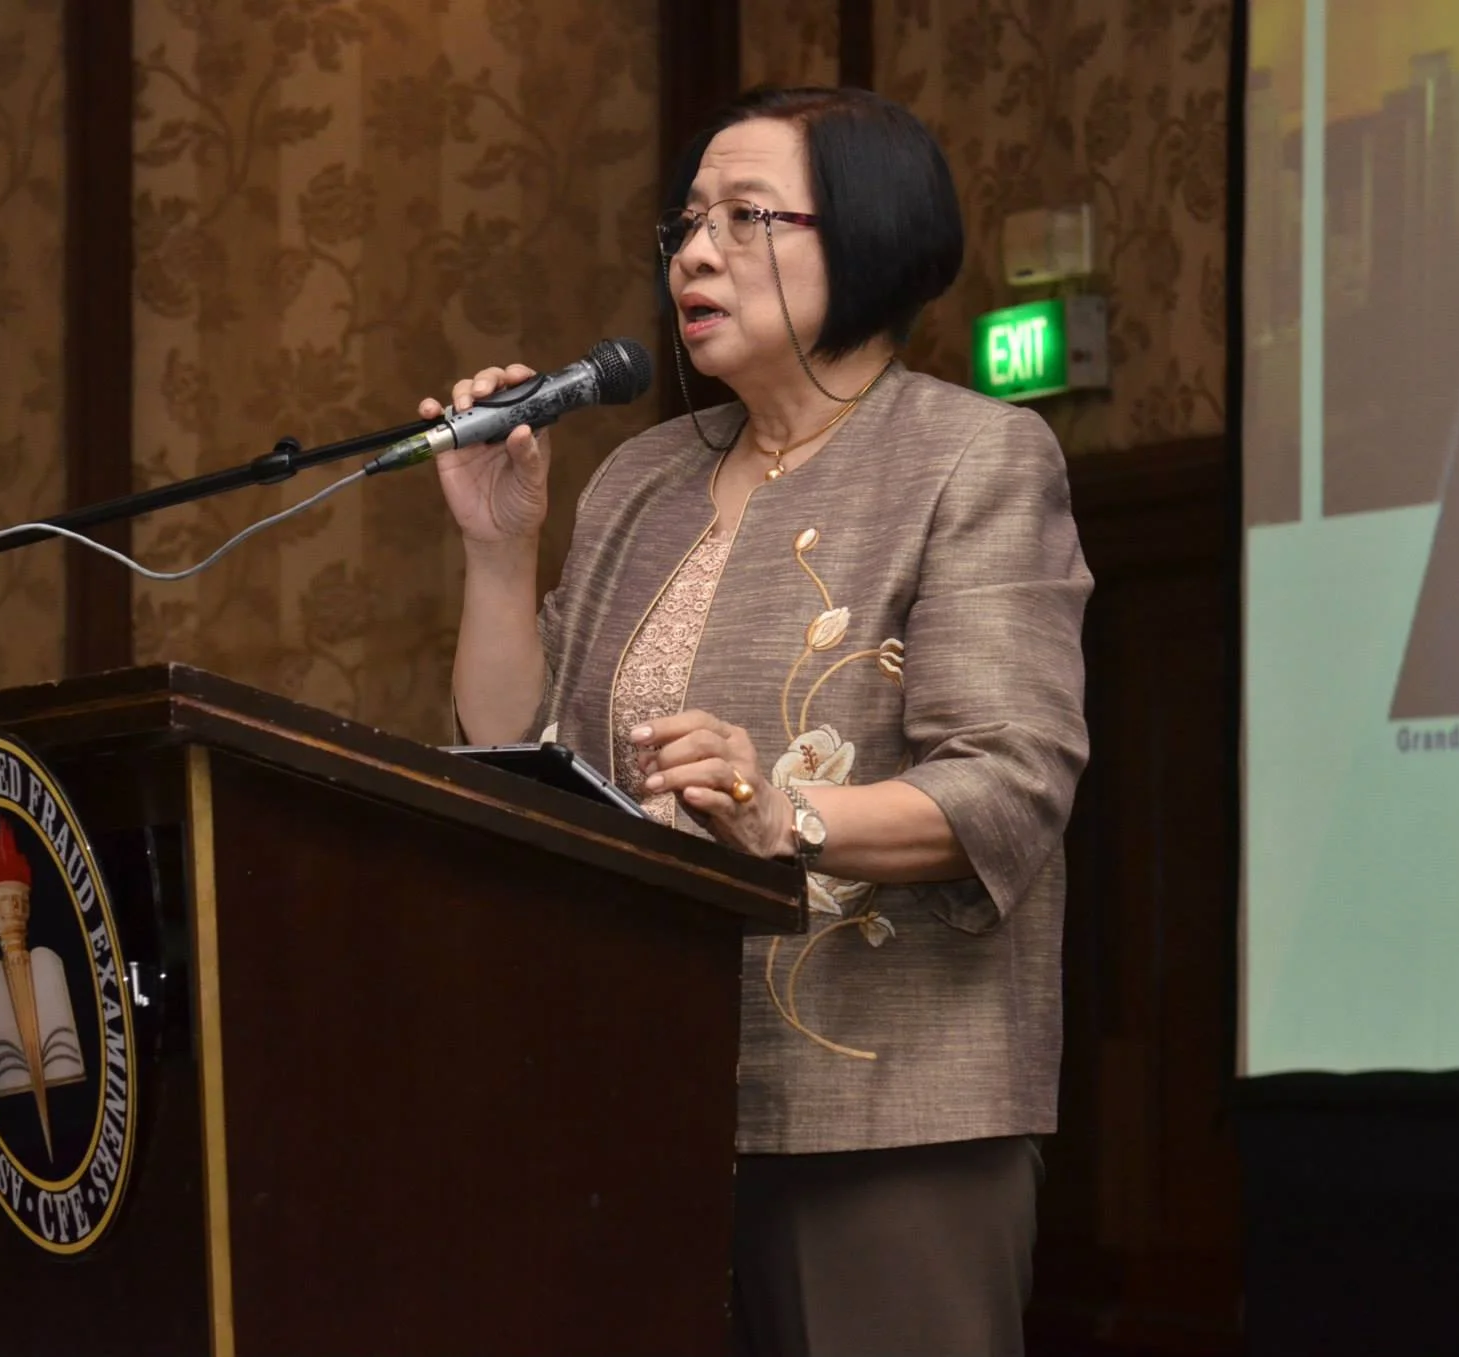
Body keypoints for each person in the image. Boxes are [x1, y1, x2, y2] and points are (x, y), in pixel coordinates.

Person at [425, 86, 1092, 1356]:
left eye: (744, 218)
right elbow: (518, 756)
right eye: (684, 223)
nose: (691, 253)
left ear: (869, 234)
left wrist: (780, 811)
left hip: (883, 1115)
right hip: (636, 1097)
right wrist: (497, 558)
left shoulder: (973, 457)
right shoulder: (639, 476)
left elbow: (1009, 782)